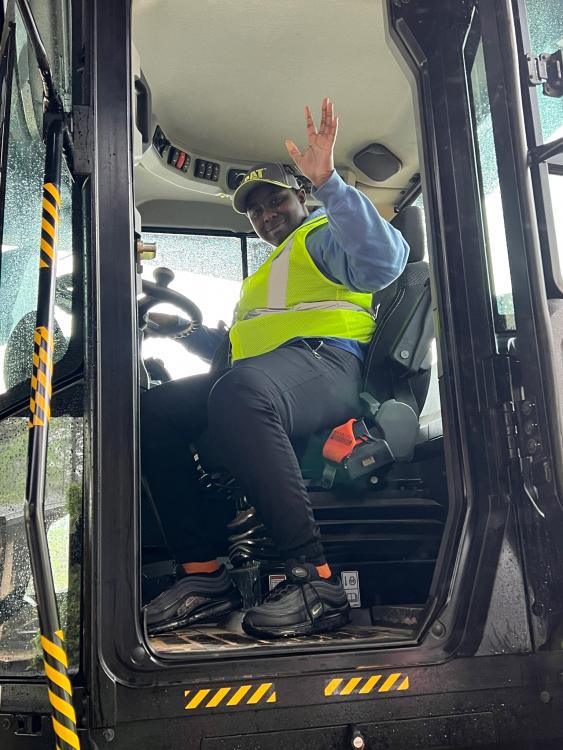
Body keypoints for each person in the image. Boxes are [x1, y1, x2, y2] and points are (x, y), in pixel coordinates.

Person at [142, 98, 409, 638]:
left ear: (300, 197)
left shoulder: (324, 236)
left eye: (275, 203)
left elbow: (386, 261)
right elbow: (245, 345)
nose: (266, 217)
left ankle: (316, 581)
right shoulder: (267, 272)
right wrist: (187, 332)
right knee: (152, 410)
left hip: (328, 365)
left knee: (239, 393)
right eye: (256, 213)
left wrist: (331, 183)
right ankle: (204, 575)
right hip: (273, 372)